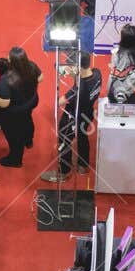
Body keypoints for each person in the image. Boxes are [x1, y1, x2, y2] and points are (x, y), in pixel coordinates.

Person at [45, 53, 102, 182]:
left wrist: (69, 75)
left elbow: (59, 101)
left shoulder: (78, 90)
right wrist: (73, 73)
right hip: (88, 113)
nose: (69, 67)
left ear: (77, 67)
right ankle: (83, 166)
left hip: (73, 116)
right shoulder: (97, 73)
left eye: (71, 65)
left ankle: (63, 172)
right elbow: (83, 78)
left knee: (64, 139)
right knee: (82, 136)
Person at [0, 47, 42, 167]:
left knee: (14, 135)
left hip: (15, 111)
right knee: (28, 120)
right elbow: (40, 78)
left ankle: (15, 160)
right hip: (31, 101)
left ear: (12, 62)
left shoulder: (7, 79)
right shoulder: (32, 66)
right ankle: (29, 141)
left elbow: (4, 103)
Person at [108, 25, 135, 105]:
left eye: (121, 33)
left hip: (123, 85)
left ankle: (121, 96)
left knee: (114, 95)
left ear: (125, 39)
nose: (119, 34)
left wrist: (111, 89)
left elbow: (118, 74)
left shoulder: (120, 54)